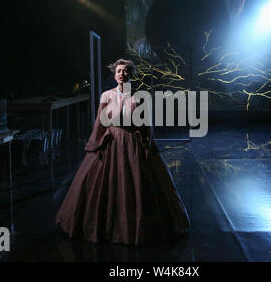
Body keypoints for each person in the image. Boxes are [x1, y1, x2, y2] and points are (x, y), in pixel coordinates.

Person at [55, 59, 190, 246]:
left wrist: (147, 145)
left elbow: (145, 124)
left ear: (130, 74)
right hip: (112, 142)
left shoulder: (140, 96)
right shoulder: (107, 96)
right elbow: (100, 122)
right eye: (119, 71)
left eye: (126, 71)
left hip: (132, 144)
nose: (122, 74)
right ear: (114, 74)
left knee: (138, 184)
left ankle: (138, 228)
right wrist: (96, 145)